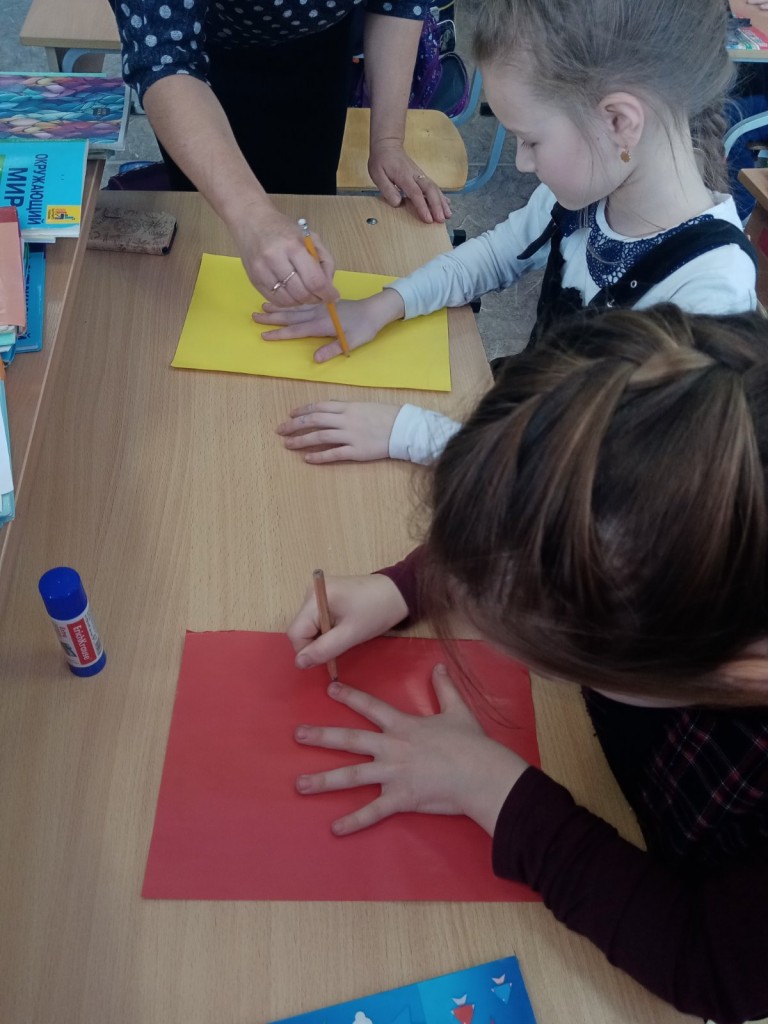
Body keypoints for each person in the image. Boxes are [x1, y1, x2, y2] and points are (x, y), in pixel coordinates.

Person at [285, 304, 768, 1024]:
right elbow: (563, 523)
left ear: (727, 671)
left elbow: (711, 969)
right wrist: (413, 584)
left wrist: (491, 785)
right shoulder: (707, 444)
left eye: (554, 657)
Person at [255, 0, 758, 466]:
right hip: (525, 420)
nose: (521, 162)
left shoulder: (710, 295)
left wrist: (413, 433)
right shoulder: (595, 187)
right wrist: (381, 306)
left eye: (530, 140)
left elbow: (599, 474)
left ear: (619, 122)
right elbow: (494, 256)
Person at [110, 0, 451, 306]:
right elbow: (164, 61)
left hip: (319, 54)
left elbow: (398, 4)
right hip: (204, 71)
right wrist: (253, 217)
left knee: (309, 209)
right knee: (213, 239)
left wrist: (388, 141)